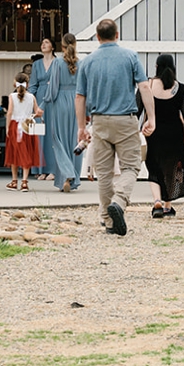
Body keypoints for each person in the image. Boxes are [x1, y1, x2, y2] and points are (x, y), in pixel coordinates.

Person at [75, 17, 155, 236]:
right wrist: (150, 117)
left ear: (98, 37)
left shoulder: (87, 62)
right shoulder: (130, 56)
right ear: (117, 35)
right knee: (131, 167)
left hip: (99, 121)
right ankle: (119, 202)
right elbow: (145, 87)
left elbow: (80, 97)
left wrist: (81, 127)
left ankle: (108, 221)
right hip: (125, 120)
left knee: (104, 173)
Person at [139, 54, 184, 218]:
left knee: (154, 167)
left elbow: (137, 109)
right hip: (174, 134)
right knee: (172, 168)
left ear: (157, 67)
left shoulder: (147, 85)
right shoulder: (180, 88)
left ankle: (157, 201)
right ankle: (168, 206)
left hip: (153, 132)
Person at [44, 33, 83, 191]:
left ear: (62, 46)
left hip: (60, 101)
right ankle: (71, 177)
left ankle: (67, 174)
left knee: (58, 139)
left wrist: (44, 102)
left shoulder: (57, 62)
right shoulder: (80, 63)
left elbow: (52, 87)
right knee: (73, 140)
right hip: (76, 102)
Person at [5, 73, 43, 190]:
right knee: (27, 152)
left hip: (15, 125)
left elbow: (10, 112)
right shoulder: (32, 97)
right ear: (27, 84)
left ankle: (14, 180)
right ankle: (25, 181)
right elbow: (37, 111)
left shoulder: (12, 96)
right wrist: (34, 114)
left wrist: (7, 126)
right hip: (28, 125)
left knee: (14, 153)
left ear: (15, 83)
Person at [29, 39, 57, 179]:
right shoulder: (36, 65)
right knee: (40, 135)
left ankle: (53, 169)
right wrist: (30, 102)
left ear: (52, 46)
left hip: (54, 100)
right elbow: (33, 84)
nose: (43, 44)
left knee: (53, 134)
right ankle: (40, 169)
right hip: (39, 100)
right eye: (42, 43)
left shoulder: (58, 63)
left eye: (46, 42)